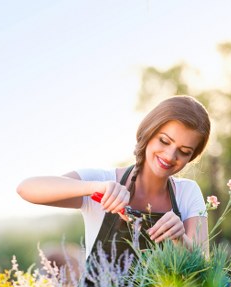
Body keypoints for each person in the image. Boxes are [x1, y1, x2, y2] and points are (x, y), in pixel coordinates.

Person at [17, 95, 211, 263]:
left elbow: (205, 272)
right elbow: (26, 189)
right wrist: (94, 188)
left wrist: (181, 239)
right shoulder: (102, 179)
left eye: (184, 151)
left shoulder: (188, 193)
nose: (170, 155)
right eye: (164, 141)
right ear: (149, 132)